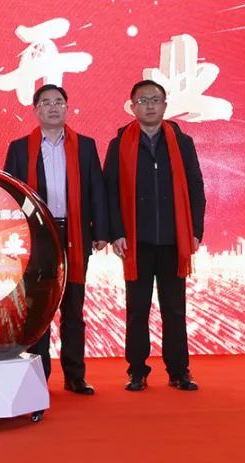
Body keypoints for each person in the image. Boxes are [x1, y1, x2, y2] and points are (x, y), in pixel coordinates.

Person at [3, 84, 108, 395]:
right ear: (36, 110)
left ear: (66, 107)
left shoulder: (85, 146)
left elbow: (97, 190)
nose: (52, 107)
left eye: (58, 102)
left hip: (74, 233)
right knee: (38, 309)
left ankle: (75, 376)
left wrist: (100, 231)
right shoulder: (19, 148)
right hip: (37, 236)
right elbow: (10, 195)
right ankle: (38, 377)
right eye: (46, 103)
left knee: (73, 308)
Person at [103, 80, 206, 392]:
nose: (149, 105)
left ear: (164, 105)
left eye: (155, 100)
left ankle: (179, 371)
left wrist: (195, 231)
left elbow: (195, 187)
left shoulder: (182, 143)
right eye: (143, 100)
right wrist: (116, 233)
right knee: (137, 310)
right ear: (132, 106)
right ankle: (137, 371)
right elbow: (111, 192)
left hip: (174, 240)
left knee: (174, 309)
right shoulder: (120, 144)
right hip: (136, 241)